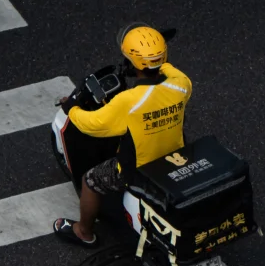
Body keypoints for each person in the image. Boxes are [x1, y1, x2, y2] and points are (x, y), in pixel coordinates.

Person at [54, 25, 191, 249]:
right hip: (173, 157)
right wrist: (157, 58)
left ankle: (83, 232)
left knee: (90, 181)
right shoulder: (181, 85)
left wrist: (72, 108)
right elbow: (168, 69)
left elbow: (94, 125)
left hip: (138, 170)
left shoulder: (128, 101)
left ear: (131, 62)